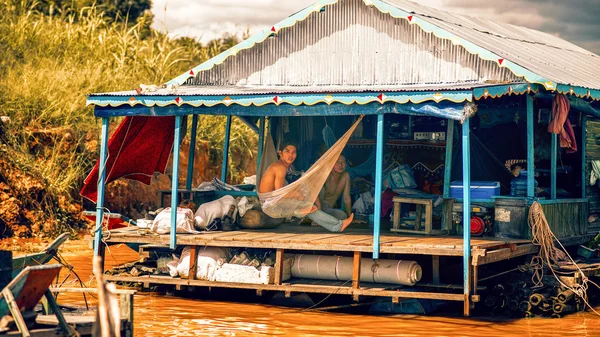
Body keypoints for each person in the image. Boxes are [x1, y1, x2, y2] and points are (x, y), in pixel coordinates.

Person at [259, 141, 354, 232]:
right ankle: (338, 225)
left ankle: (305, 213)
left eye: (293, 152)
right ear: (280, 153)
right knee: (308, 207)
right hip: (271, 206)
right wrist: (299, 196)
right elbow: (279, 193)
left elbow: (307, 188)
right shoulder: (280, 168)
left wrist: (304, 199)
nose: (290, 155)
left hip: (275, 204)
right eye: (287, 151)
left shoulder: (288, 168)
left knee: (309, 207)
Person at [314, 155, 352, 225]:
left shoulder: (345, 176)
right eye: (337, 162)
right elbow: (313, 192)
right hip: (316, 208)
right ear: (331, 163)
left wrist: (350, 218)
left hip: (327, 210)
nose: (341, 165)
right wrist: (318, 209)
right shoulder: (327, 175)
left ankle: (318, 219)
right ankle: (316, 217)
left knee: (343, 216)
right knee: (320, 189)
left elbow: (346, 198)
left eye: (343, 162)